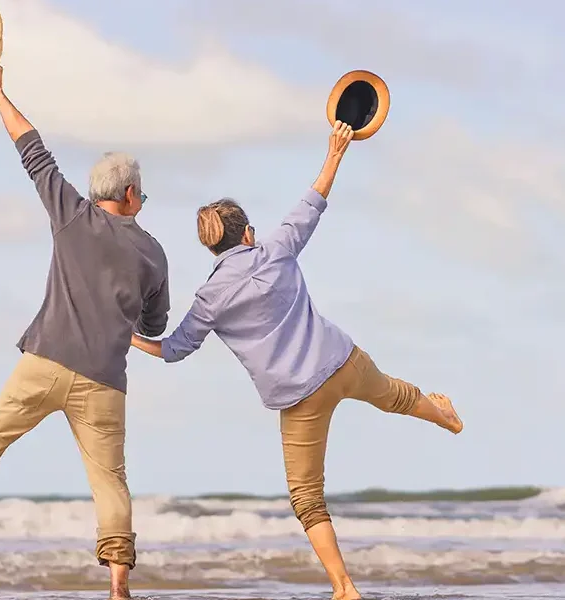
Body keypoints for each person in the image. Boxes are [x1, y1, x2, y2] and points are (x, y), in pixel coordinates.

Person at [129, 120, 463, 600]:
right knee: (396, 395)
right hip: (342, 360)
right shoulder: (275, 246)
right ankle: (445, 418)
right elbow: (316, 199)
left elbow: (174, 350)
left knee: (308, 499)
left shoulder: (209, 297)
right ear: (247, 232)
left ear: (211, 247)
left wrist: (129, 337)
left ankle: (344, 588)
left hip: (298, 397)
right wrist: (336, 152)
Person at [0, 52, 169, 600]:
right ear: (132, 194)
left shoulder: (71, 214)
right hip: (105, 381)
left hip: (44, 361)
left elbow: (31, 149)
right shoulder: (153, 254)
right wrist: (122, 319)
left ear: (98, 194)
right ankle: (118, 583)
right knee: (110, 481)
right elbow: (154, 323)